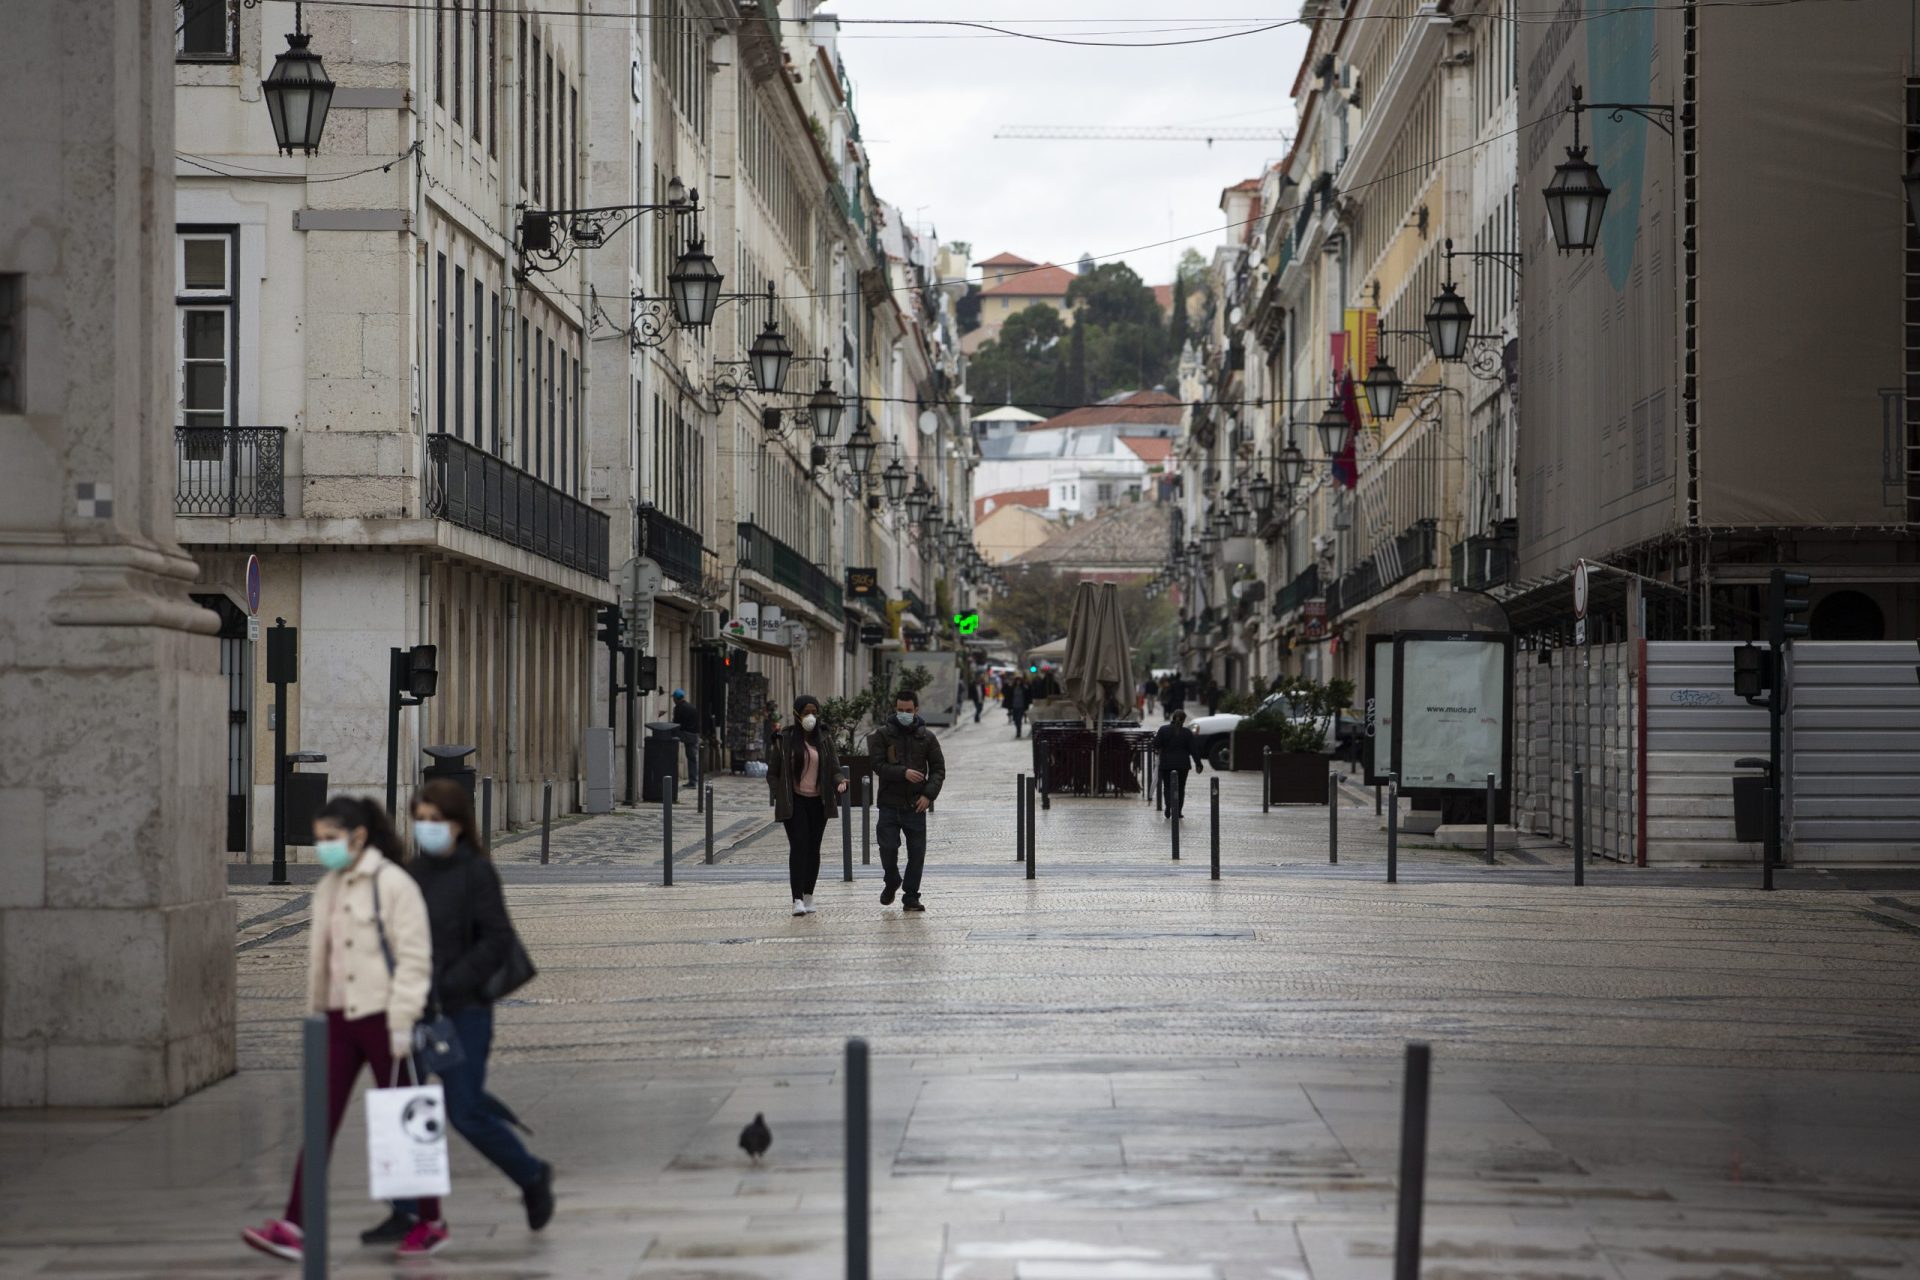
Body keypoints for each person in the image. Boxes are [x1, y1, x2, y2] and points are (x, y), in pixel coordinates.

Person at [242, 796, 444, 1262]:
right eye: (319, 838)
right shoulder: (330, 886)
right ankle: (294, 1224)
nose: (323, 847)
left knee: (405, 1120)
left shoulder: (394, 884)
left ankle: (431, 1221)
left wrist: (403, 1020)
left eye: (330, 838)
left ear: (357, 837)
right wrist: (314, 1013)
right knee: (320, 1120)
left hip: (385, 1017)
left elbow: (415, 959)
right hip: (336, 1020)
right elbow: (323, 959)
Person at [359, 780, 555, 1248]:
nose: (427, 828)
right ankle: (407, 1211)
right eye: (420, 820)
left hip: (463, 1011)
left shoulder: (476, 873)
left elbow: (497, 939)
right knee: (404, 1104)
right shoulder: (408, 875)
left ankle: (530, 1174)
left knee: (464, 1109)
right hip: (414, 1011)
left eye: (437, 820)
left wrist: (450, 982)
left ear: (458, 824)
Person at [868, 688, 946, 913]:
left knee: (917, 853)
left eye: (908, 710)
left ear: (916, 710)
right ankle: (891, 879)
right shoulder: (882, 735)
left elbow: (939, 770)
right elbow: (877, 765)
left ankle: (911, 896)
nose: (904, 713)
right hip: (889, 804)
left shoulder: (927, 737)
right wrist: (902, 772)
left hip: (916, 805)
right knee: (888, 847)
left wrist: (928, 795)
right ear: (895, 709)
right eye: (900, 710)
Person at [768, 693, 846, 915]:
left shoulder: (824, 738)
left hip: (818, 802)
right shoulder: (784, 740)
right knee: (799, 845)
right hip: (795, 801)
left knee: (813, 849)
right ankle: (796, 899)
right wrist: (779, 792)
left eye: (814, 712)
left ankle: (809, 894)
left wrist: (840, 782)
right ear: (796, 715)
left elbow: (835, 768)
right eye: (806, 713)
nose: (811, 717)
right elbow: (772, 773)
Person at [1151, 711, 1206, 820]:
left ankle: (1168, 807)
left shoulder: (1163, 730)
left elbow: (1155, 744)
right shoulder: (1187, 733)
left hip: (1166, 764)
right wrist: (1198, 764)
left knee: (1167, 787)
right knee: (1180, 788)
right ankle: (1178, 811)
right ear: (1184, 720)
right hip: (1183, 765)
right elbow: (1194, 750)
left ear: (1172, 717)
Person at [668, 689, 699, 787]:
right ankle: (693, 780)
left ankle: (692, 781)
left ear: (676, 699)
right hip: (694, 735)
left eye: (673, 698)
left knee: (690, 757)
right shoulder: (692, 707)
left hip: (685, 734)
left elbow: (677, 724)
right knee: (692, 758)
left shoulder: (678, 708)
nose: (673, 699)